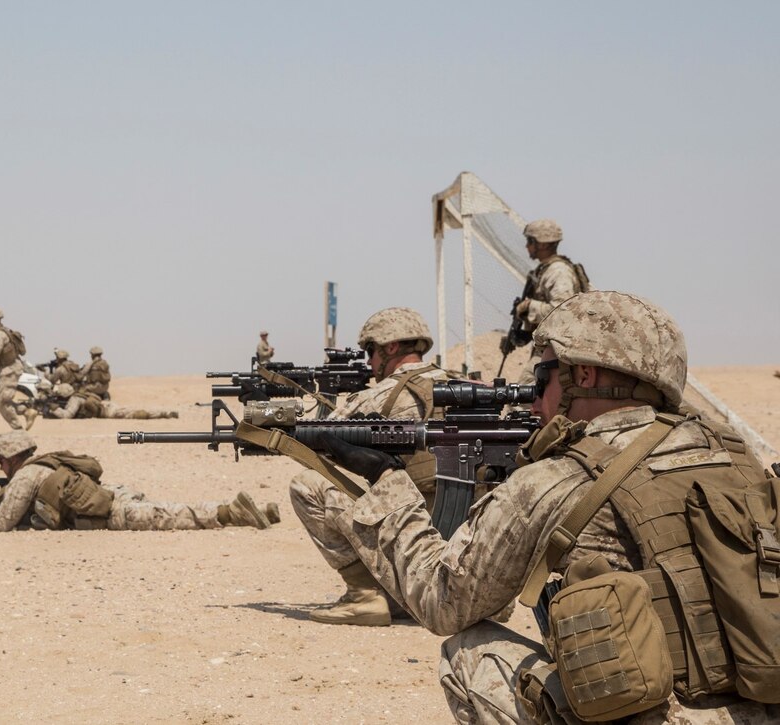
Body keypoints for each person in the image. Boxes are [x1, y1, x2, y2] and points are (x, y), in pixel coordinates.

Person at [321, 291, 776, 723]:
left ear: (584, 376)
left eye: (541, 378)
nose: (534, 397)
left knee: (470, 651)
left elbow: (443, 602)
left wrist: (387, 484)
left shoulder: (558, 478)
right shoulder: (738, 457)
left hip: (657, 713)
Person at [290, 307, 450, 627]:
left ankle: (366, 595)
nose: (369, 362)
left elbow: (320, 440)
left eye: (370, 351)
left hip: (413, 532)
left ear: (390, 347)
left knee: (308, 484)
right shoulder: (460, 387)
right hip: (461, 547)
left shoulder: (379, 395)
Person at [0, 431, 279, 532]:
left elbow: (3, 523)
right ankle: (257, 512)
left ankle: (232, 513)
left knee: (172, 516)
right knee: (166, 509)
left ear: (12, 457)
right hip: (115, 494)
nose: (1, 468)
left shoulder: (25, 475)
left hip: (111, 512)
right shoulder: (46, 463)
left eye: (1, 462)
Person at [499, 219, 589, 383]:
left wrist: (529, 306)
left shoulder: (558, 272)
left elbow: (564, 311)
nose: (527, 246)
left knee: (523, 398)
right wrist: (515, 336)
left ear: (543, 244)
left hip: (558, 350)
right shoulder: (545, 270)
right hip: (548, 349)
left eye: (530, 241)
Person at [49, 384, 177, 420]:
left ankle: (164, 414)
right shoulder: (81, 394)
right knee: (132, 411)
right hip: (108, 405)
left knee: (137, 414)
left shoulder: (74, 399)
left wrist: (55, 409)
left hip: (109, 411)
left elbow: (67, 415)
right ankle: (164, 413)